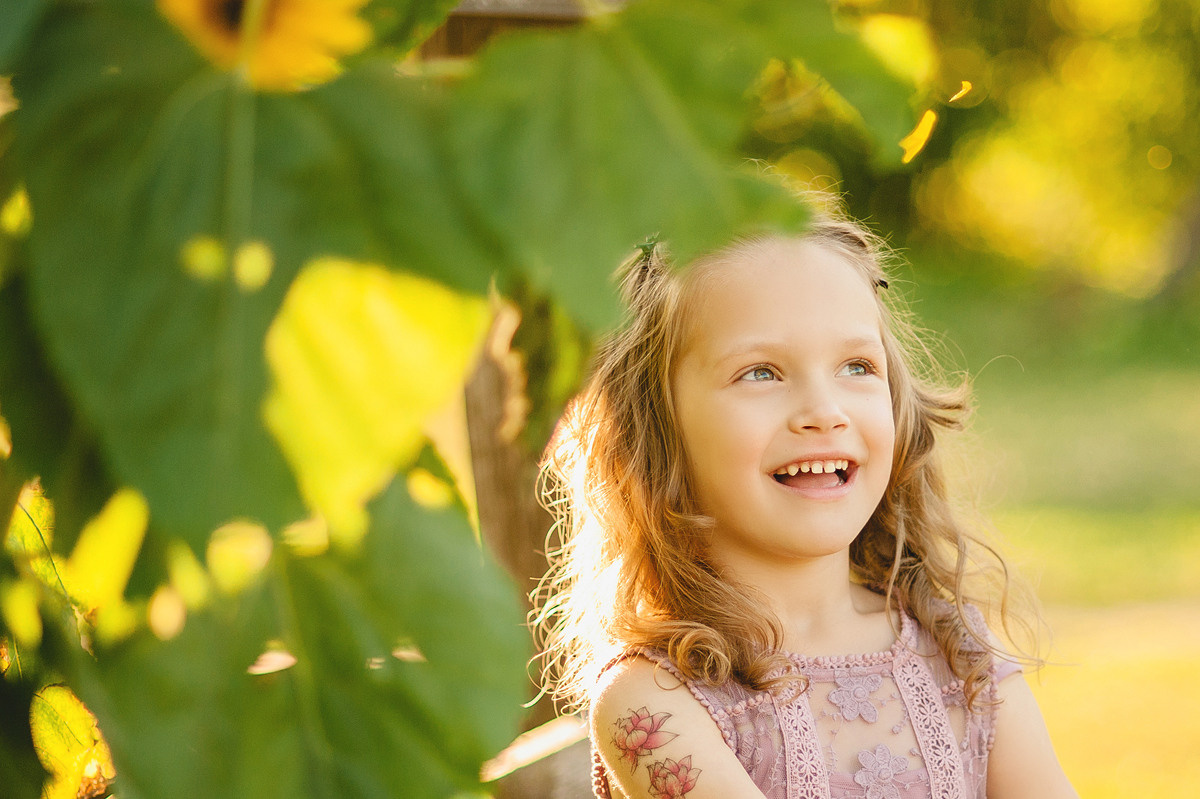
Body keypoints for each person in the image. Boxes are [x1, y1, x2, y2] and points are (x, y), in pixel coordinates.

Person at [533, 201, 1078, 799]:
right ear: (652, 431)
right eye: (761, 372)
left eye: (856, 366)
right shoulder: (653, 703)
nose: (825, 412)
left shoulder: (959, 655)